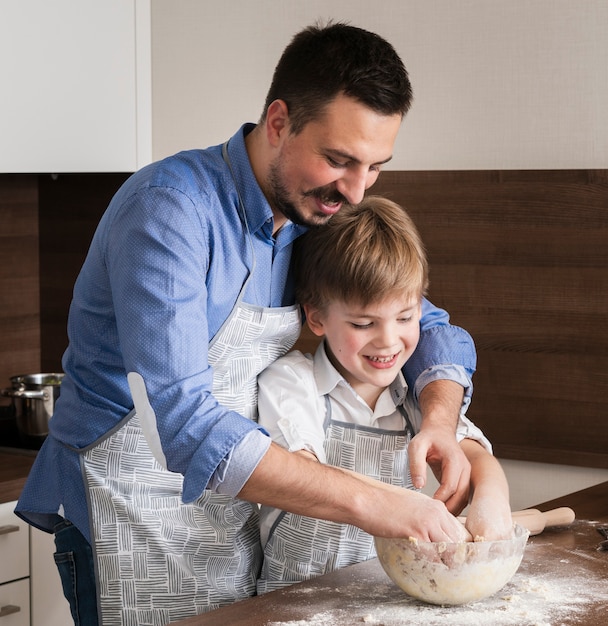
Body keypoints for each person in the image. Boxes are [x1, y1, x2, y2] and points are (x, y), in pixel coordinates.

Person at [17, 21, 477, 626]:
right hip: (128, 517)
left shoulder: (312, 208)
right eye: (339, 160)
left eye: (375, 168)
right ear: (279, 122)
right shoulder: (169, 211)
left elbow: (429, 322)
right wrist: (376, 503)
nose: (356, 191)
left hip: (229, 516)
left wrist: (441, 420)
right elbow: (182, 423)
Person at [256, 196, 512, 593]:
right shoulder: (291, 381)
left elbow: (477, 459)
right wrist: (402, 506)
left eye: (406, 317)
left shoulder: (418, 397)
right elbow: (298, 470)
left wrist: (491, 502)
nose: (389, 340)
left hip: (386, 595)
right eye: (363, 322)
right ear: (317, 316)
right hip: (291, 600)